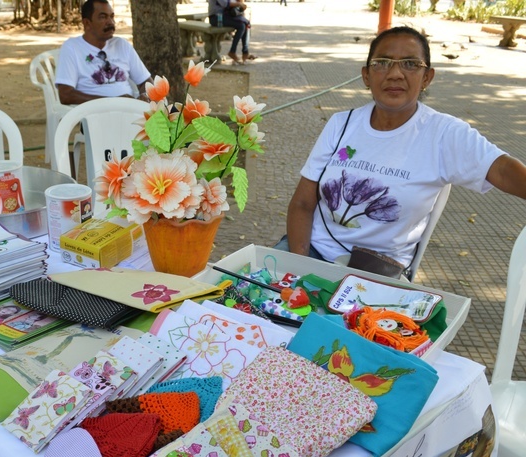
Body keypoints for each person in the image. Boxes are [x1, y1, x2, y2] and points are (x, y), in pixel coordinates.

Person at [281, 26, 526, 269]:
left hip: (377, 270)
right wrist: (299, 268)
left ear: (427, 77)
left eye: (410, 64)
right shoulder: (340, 124)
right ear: (366, 76)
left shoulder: (444, 133)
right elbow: (302, 204)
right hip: (311, 250)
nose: (395, 74)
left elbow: (502, 169)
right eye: (382, 63)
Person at [55, 0, 151, 105]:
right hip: (92, 115)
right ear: (87, 23)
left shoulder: (122, 45)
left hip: (129, 111)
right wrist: (111, 102)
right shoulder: (72, 47)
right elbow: (65, 95)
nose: (110, 22)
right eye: (103, 17)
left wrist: (145, 96)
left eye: (111, 16)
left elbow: (146, 81)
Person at [208, 0, 255, 65]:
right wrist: (238, 4)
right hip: (216, 18)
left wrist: (240, 4)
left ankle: (245, 52)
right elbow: (225, 4)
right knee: (241, 26)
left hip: (225, 15)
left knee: (245, 24)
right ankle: (232, 52)